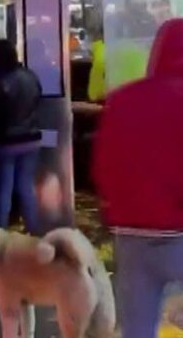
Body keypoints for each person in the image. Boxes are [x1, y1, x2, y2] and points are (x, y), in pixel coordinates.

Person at [93, 19, 183, 338]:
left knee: (138, 327)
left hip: (131, 233)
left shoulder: (122, 99)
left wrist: (114, 207)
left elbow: (103, 164)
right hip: (179, 231)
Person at [0, 39, 42, 234]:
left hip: (6, 141)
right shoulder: (29, 75)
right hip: (31, 137)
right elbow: (37, 99)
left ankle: (0, 232)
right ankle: (34, 230)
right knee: (26, 186)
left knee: (4, 188)